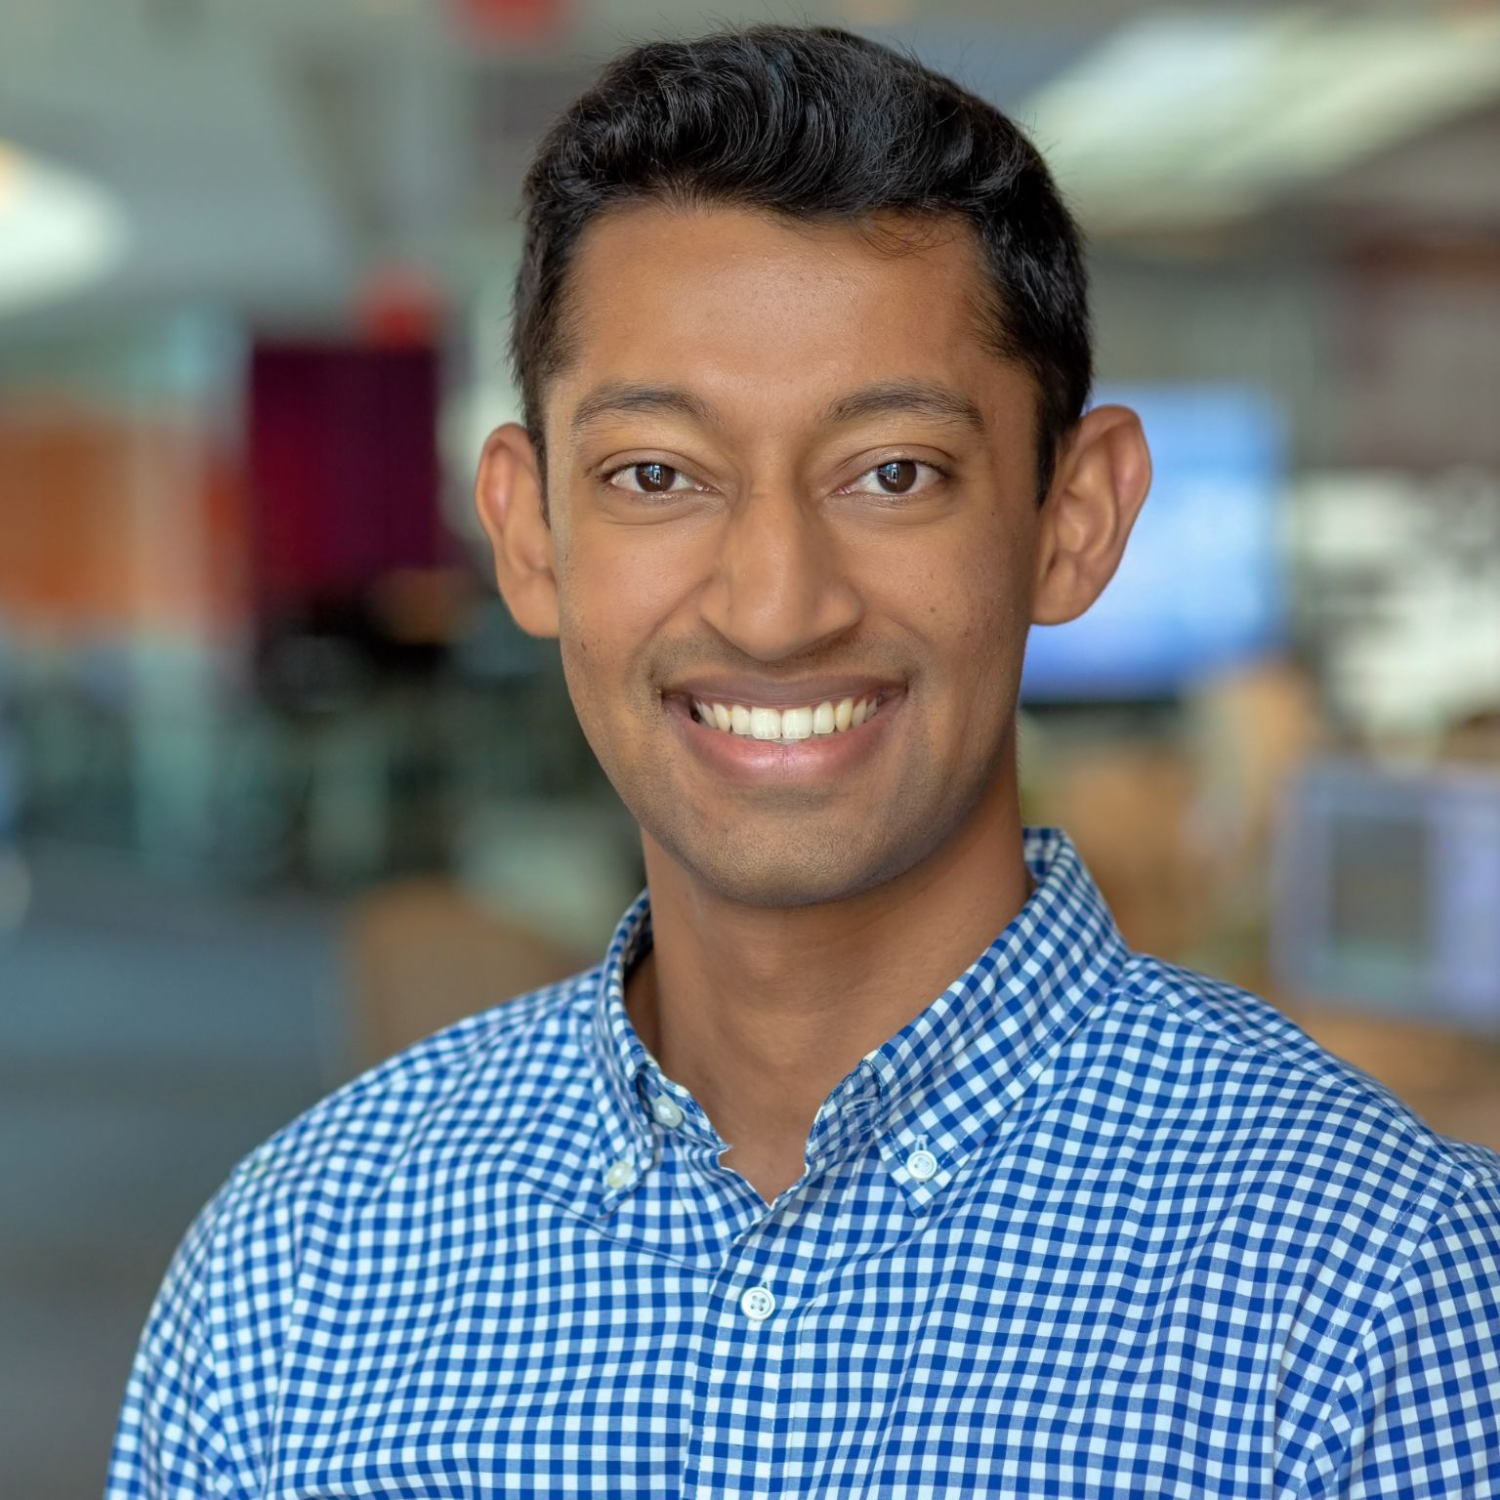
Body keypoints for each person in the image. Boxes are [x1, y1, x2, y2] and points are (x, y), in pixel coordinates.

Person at [108, 24, 1500, 1498]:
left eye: (892, 473)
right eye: (657, 475)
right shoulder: (291, 1281)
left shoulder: (1384, 1295)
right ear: (528, 536)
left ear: (1073, 519)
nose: (775, 607)